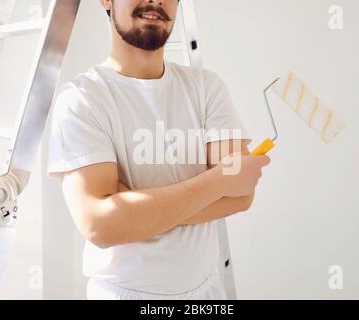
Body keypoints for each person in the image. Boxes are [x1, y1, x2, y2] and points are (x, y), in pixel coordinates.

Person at [46, 0, 271, 300]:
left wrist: (134, 208)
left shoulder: (207, 88)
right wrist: (220, 181)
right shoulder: (82, 100)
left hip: (206, 294)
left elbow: (240, 195)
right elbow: (101, 225)